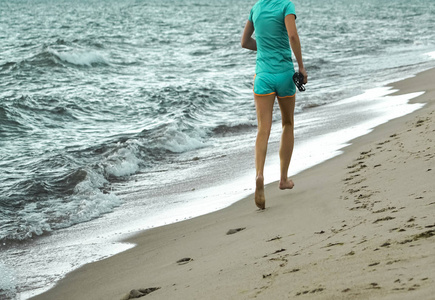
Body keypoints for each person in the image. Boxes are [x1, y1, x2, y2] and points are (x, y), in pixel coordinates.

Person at [241, 0, 307, 209]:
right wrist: (302, 68)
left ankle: (260, 175)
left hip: (263, 77)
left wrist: (266, 45)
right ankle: (283, 178)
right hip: (284, 75)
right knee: (287, 124)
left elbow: (244, 42)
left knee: (263, 130)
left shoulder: (256, 8)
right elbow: (293, 36)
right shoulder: (286, 6)